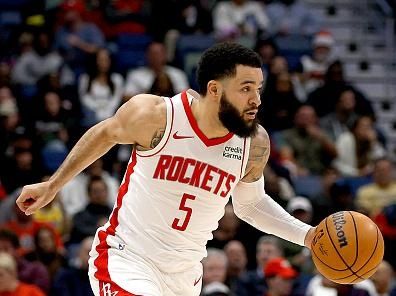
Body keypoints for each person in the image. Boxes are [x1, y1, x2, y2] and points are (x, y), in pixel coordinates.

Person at [16, 42, 315, 296]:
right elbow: (104, 134)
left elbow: (251, 205)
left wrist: (309, 236)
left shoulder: (254, 142)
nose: (256, 100)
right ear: (214, 89)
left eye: (258, 89)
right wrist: (51, 185)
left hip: (184, 278)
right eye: (246, 89)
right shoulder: (159, 116)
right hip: (127, 260)